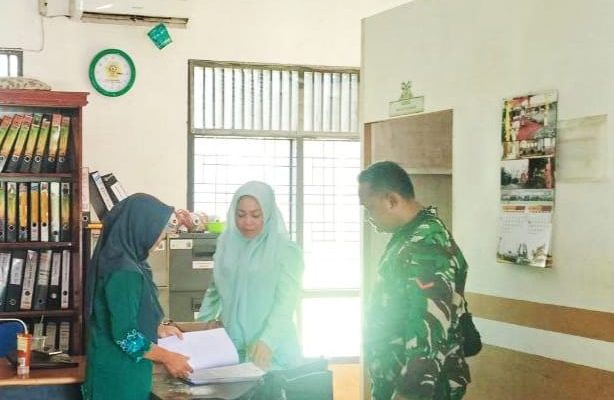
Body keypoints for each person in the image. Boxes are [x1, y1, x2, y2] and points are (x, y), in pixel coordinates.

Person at [358, 161, 471, 400]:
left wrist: (410, 391)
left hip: (419, 386)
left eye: (370, 208)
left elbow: (429, 324)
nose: (368, 217)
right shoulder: (409, 235)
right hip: (395, 375)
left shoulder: (425, 243)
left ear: (391, 200)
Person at [82, 194, 193, 400]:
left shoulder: (128, 263)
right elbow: (126, 337)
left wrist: (156, 329)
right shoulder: (123, 272)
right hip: (118, 378)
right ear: (142, 228)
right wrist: (168, 357)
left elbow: (122, 315)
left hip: (124, 372)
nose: (161, 237)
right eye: (159, 230)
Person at [197, 181, 303, 371]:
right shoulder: (226, 245)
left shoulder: (285, 250)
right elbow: (213, 292)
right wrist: (201, 331)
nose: (247, 222)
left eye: (255, 215)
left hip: (271, 350)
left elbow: (287, 302)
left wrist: (268, 341)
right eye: (240, 215)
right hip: (232, 347)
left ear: (268, 214)